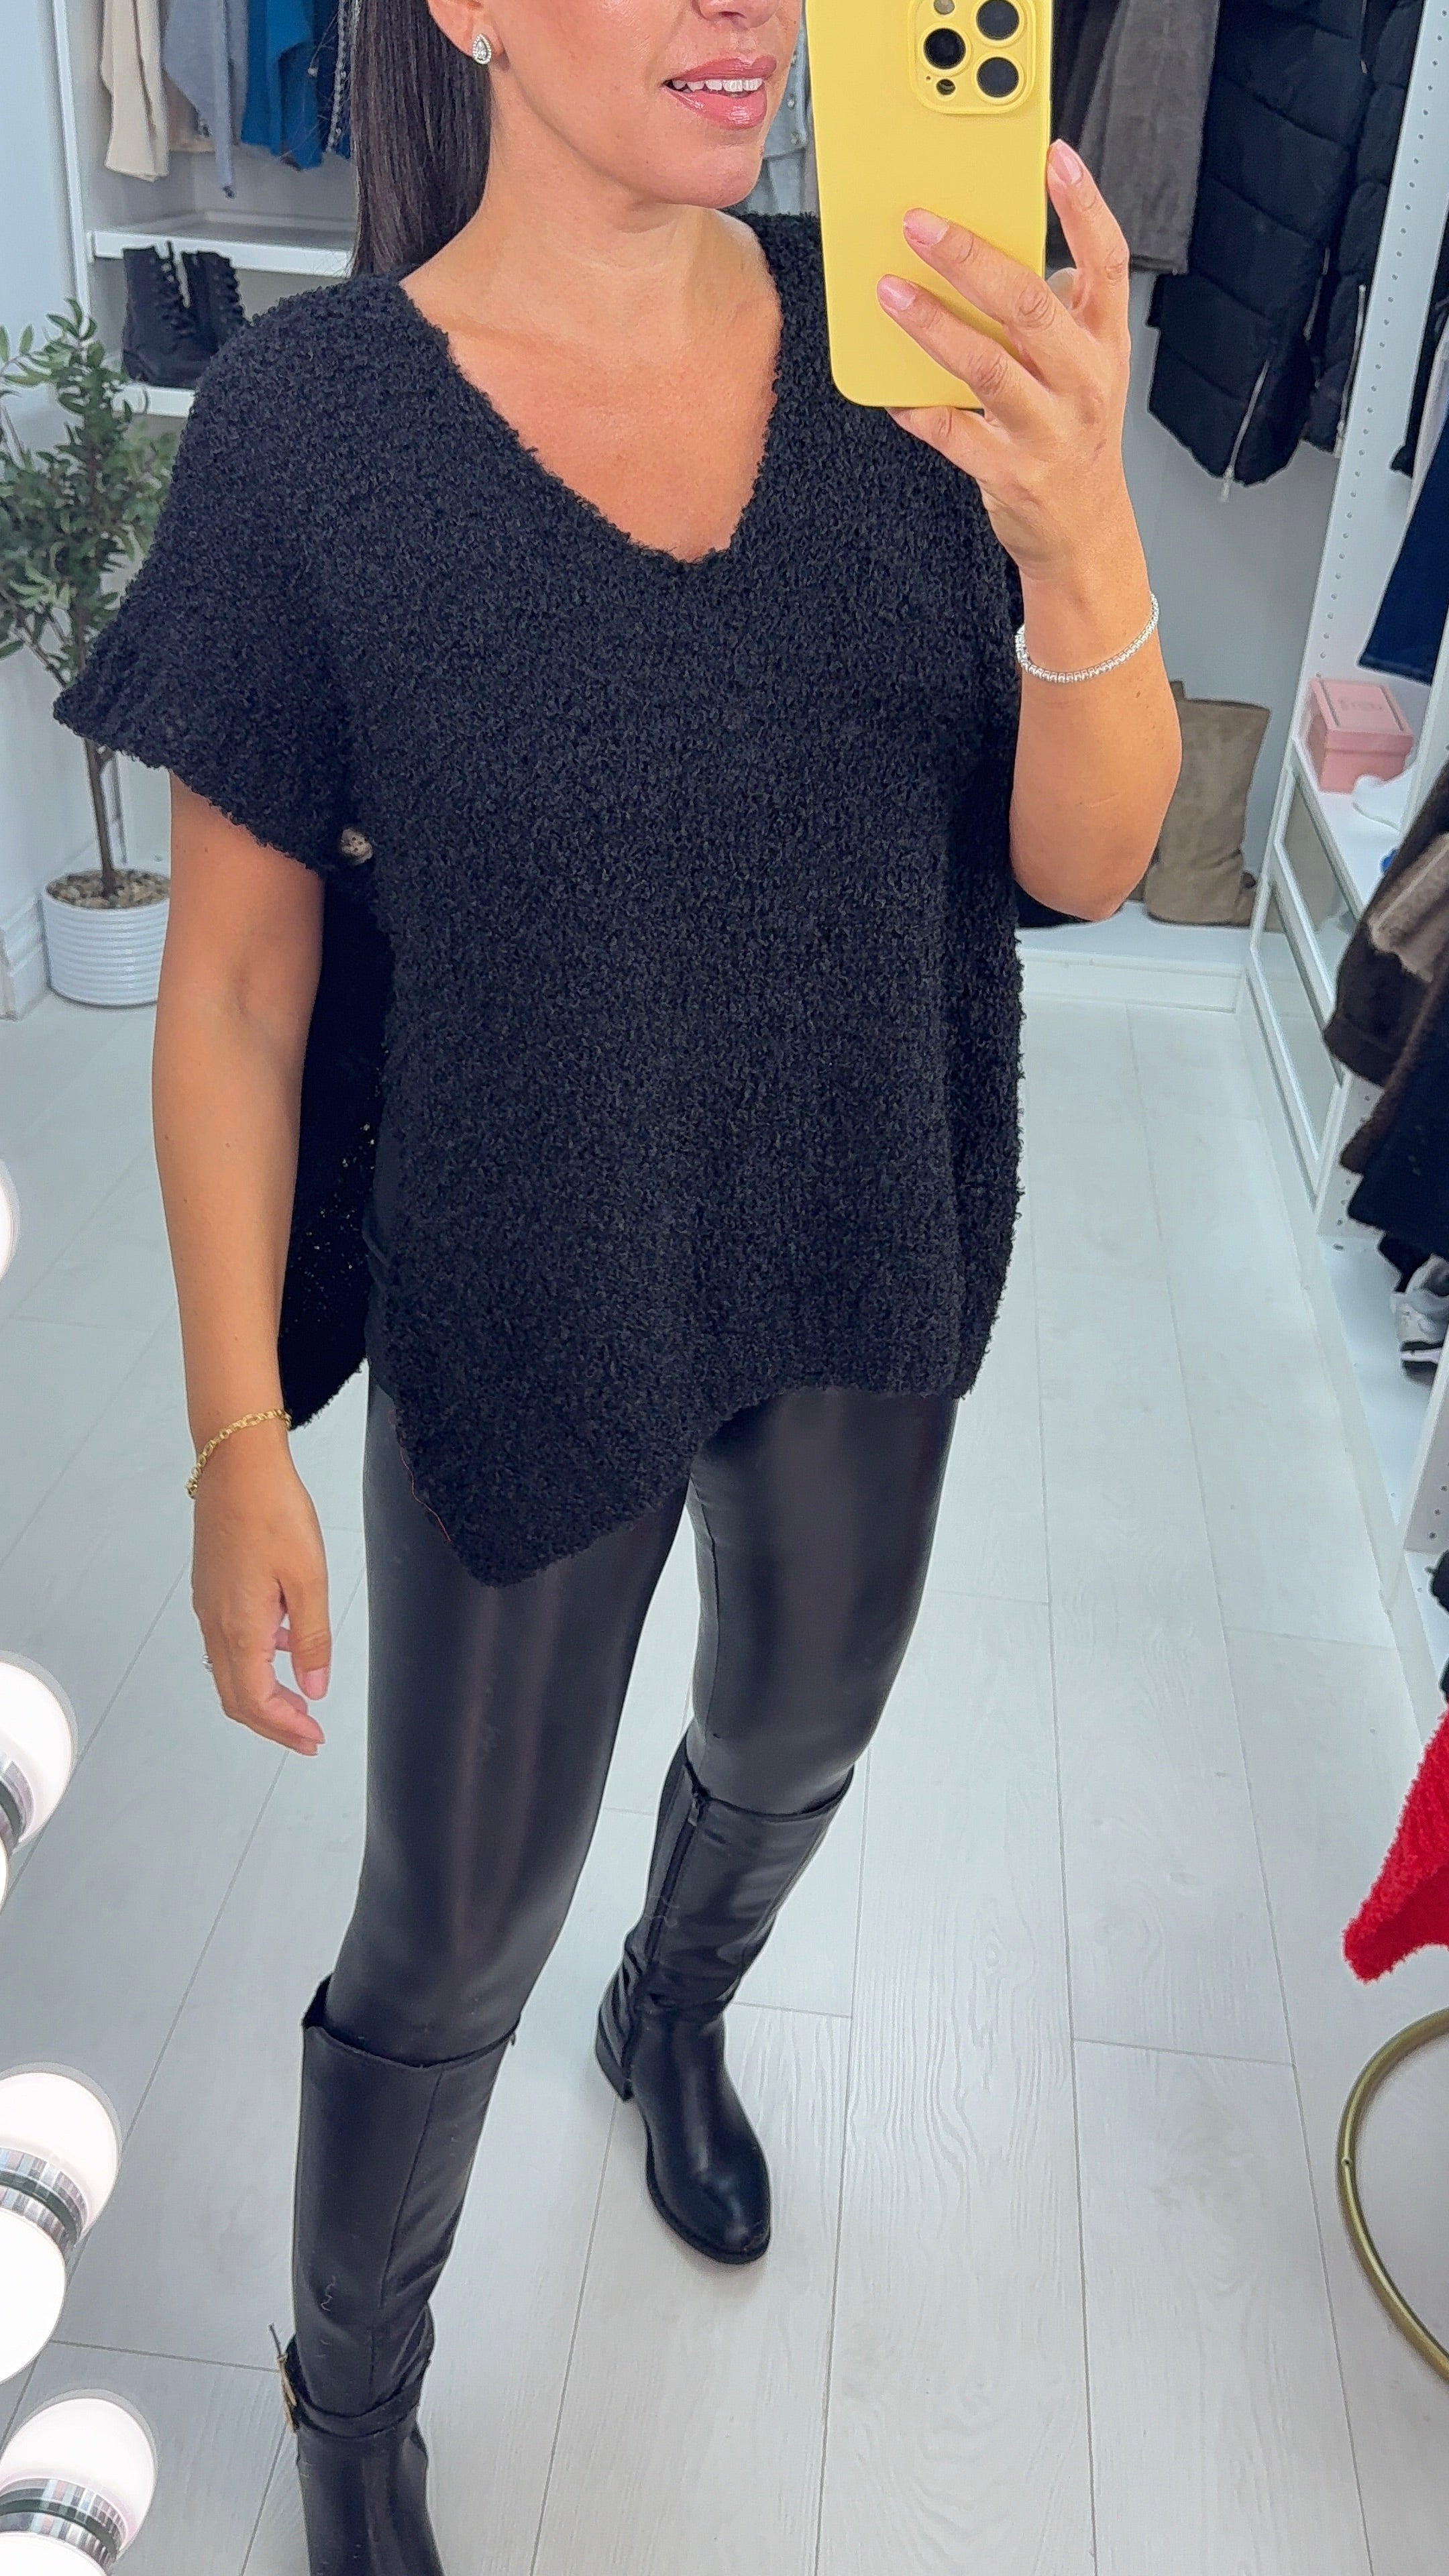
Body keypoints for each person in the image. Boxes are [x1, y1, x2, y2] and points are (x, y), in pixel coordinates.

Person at [54, 0, 1179, 2561]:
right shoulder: (315, 432)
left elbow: (1087, 862)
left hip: (862, 1233)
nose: (740, 7)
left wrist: (1085, 534)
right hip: (521, 1280)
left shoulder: (912, 351)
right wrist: (233, 1437)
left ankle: (676, 2002)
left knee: (793, 1737)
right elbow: (233, 991)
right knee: (450, 1934)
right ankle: (353, 2400)